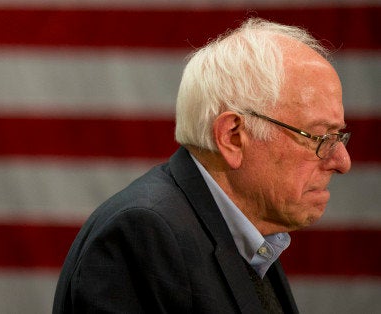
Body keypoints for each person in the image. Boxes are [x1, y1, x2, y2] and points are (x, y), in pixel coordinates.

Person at [52, 17, 352, 314]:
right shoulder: (144, 235)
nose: (342, 161)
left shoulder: (250, 237)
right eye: (320, 137)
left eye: (339, 137)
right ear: (232, 136)